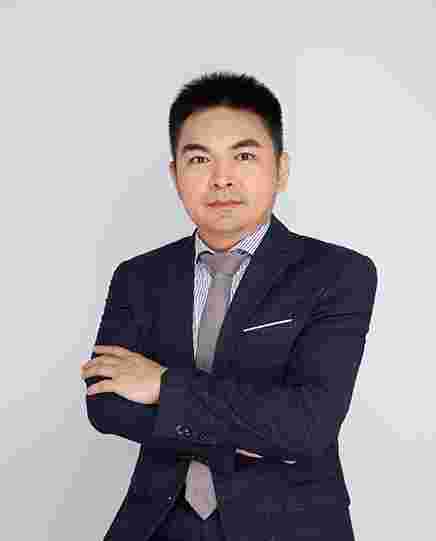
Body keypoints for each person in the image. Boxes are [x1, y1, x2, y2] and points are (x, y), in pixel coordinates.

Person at [81, 71, 378, 541]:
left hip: (291, 525)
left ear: (280, 169)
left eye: (243, 156)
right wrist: (257, 433)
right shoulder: (139, 276)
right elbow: (107, 406)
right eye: (199, 159)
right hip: (159, 523)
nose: (221, 179)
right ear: (175, 176)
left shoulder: (337, 273)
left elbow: (309, 425)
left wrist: (161, 385)